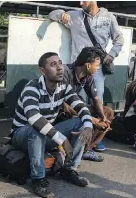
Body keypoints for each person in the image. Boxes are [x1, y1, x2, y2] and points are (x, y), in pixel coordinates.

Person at [11, 52, 93, 198]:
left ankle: (68, 169)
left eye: (60, 63)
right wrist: (63, 140)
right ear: (43, 71)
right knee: (35, 129)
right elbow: (34, 118)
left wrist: (88, 126)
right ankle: (38, 179)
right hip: (21, 135)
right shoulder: (32, 88)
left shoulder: (64, 87)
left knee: (81, 122)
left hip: (46, 134)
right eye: (53, 64)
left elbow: (81, 106)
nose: (60, 68)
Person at [49, 1, 124, 151]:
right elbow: (51, 14)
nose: (80, 2)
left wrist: (111, 55)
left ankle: (92, 142)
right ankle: (80, 144)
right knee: (78, 104)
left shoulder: (109, 17)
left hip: (97, 69)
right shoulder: (75, 16)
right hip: (78, 69)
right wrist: (61, 14)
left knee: (99, 103)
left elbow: (119, 40)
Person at [61, 47, 114, 160]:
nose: (98, 68)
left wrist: (102, 117)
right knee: (83, 119)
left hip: (76, 108)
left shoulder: (88, 77)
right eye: (97, 65)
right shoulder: (64, 73)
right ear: (88, 65)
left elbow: (96, 99)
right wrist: (92, 120)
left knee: (108, 112)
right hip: (61, 114)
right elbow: (66, 107)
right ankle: (72, 150)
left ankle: (86, 149)